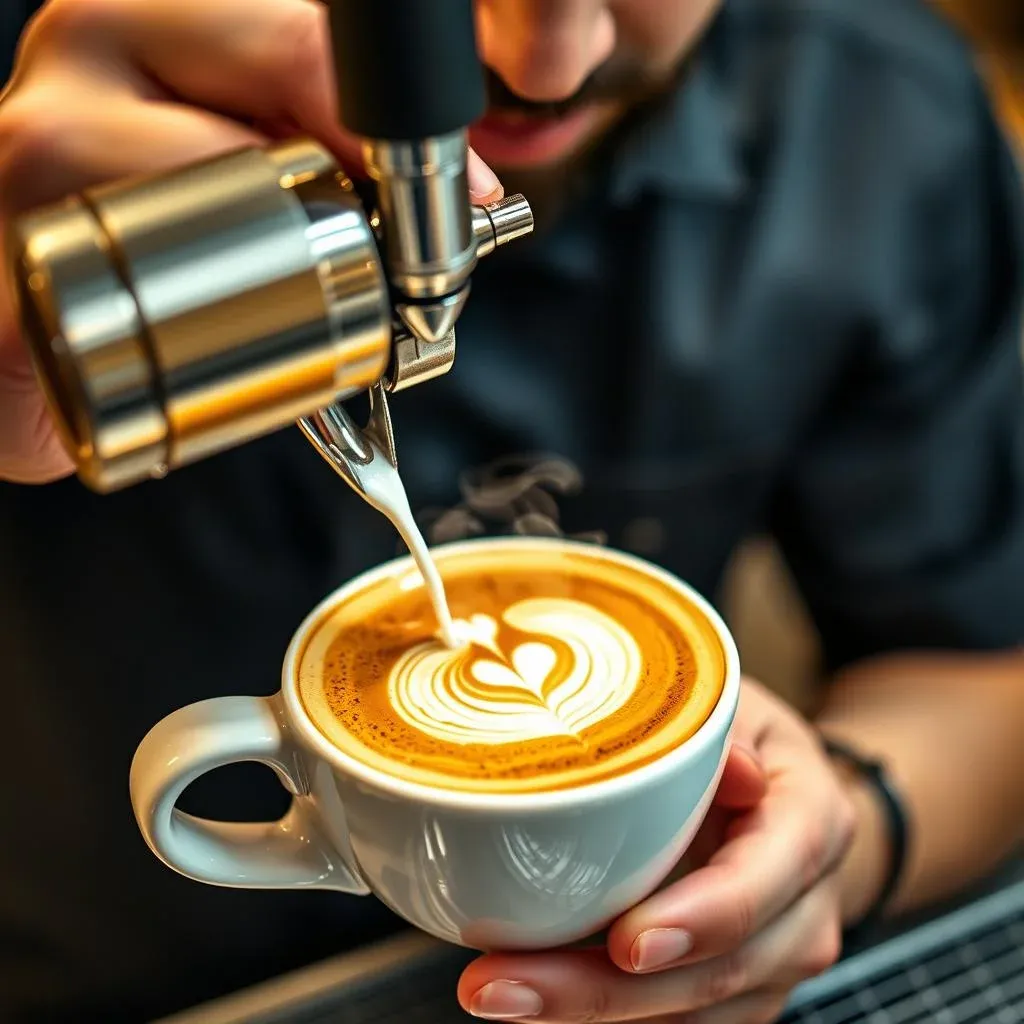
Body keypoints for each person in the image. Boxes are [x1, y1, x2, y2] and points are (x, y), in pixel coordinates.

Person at [1, 0, 1023, 1021]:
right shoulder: (41, 78)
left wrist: (828, 846)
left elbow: (981, 664)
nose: (546, 62)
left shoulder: (879, 121)